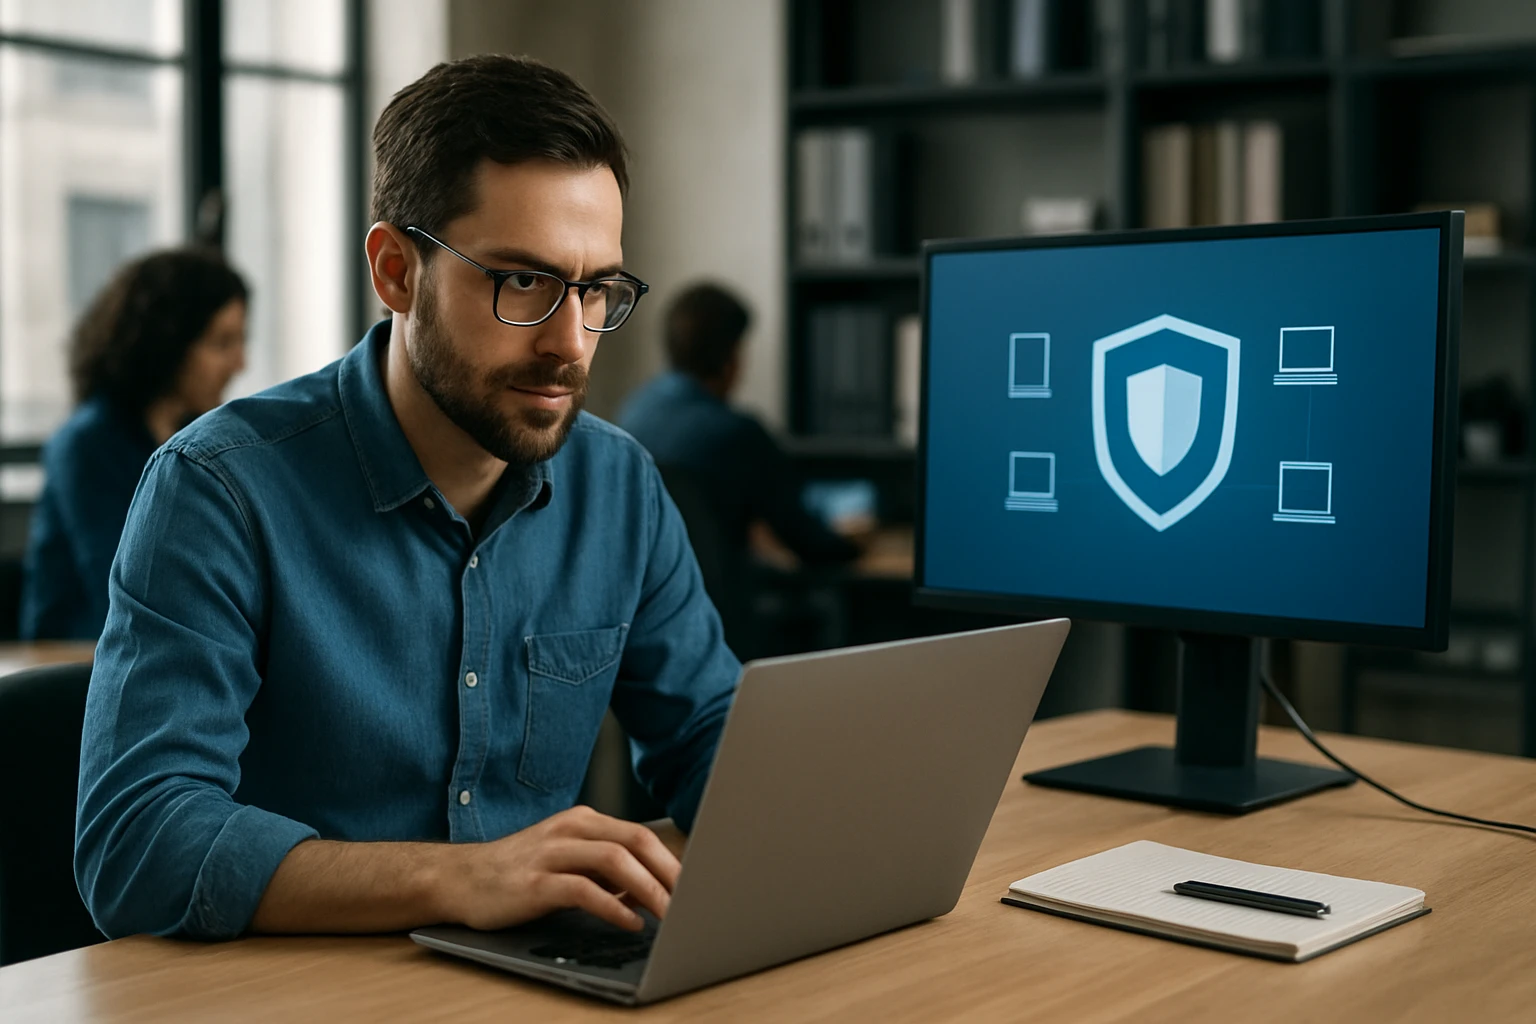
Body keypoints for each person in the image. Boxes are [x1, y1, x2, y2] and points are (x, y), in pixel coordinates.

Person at [75, 55, 738, 941]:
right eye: (522, 282)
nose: (570, 343)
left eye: (596, 290)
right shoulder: (218, 489)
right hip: (299, 992)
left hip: (537, 980)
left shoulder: (619, 485)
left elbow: (709, 735)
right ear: (396, 272)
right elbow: (138, 842)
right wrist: (462, 879)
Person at [20, 248, 248, 641]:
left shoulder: (198, 439)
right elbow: (128, 590)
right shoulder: (86, 444)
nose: (240, 363)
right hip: (82, 660)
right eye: (221, 343)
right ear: (169, 342)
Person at [618, 283, 862, 568]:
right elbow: (809, 541)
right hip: (718, 595)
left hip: (648, 590)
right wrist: (859, 545)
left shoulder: (632, 413)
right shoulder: (738, 434)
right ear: (730, 359)